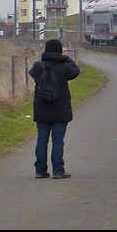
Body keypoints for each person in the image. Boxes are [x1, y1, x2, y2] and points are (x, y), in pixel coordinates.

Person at [29, 38, 80, 179]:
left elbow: (31, 73)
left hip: (41, 108)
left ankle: (40, 170)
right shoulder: (64, 67)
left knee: (42, 139)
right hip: (60, 108)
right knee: (57, 140)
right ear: (59, 50)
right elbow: (76, 71)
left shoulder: (39, 66)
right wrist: (65, 57)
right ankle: (58, 170)